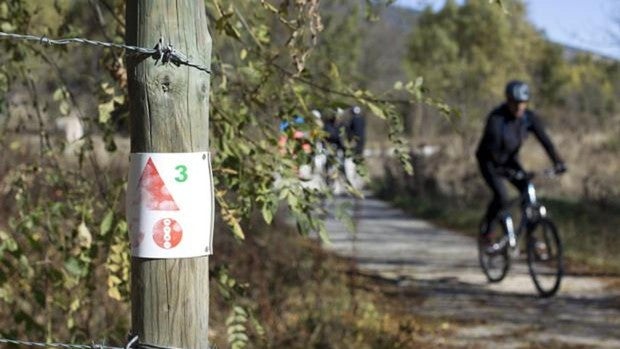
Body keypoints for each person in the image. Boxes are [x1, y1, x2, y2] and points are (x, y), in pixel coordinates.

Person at [476, 80, 566, 238]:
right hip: (489, 161)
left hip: (509, 160)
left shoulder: (528, 118)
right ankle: (488, 230)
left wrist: (558, 162)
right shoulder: (496, 118)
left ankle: (531, 238)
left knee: (528, 191)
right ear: (508, 100)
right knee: (502, 196)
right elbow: (492, 146)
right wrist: (505, 171)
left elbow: (545, 141)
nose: (519, 107)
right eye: (515, 103)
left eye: (523, 103)